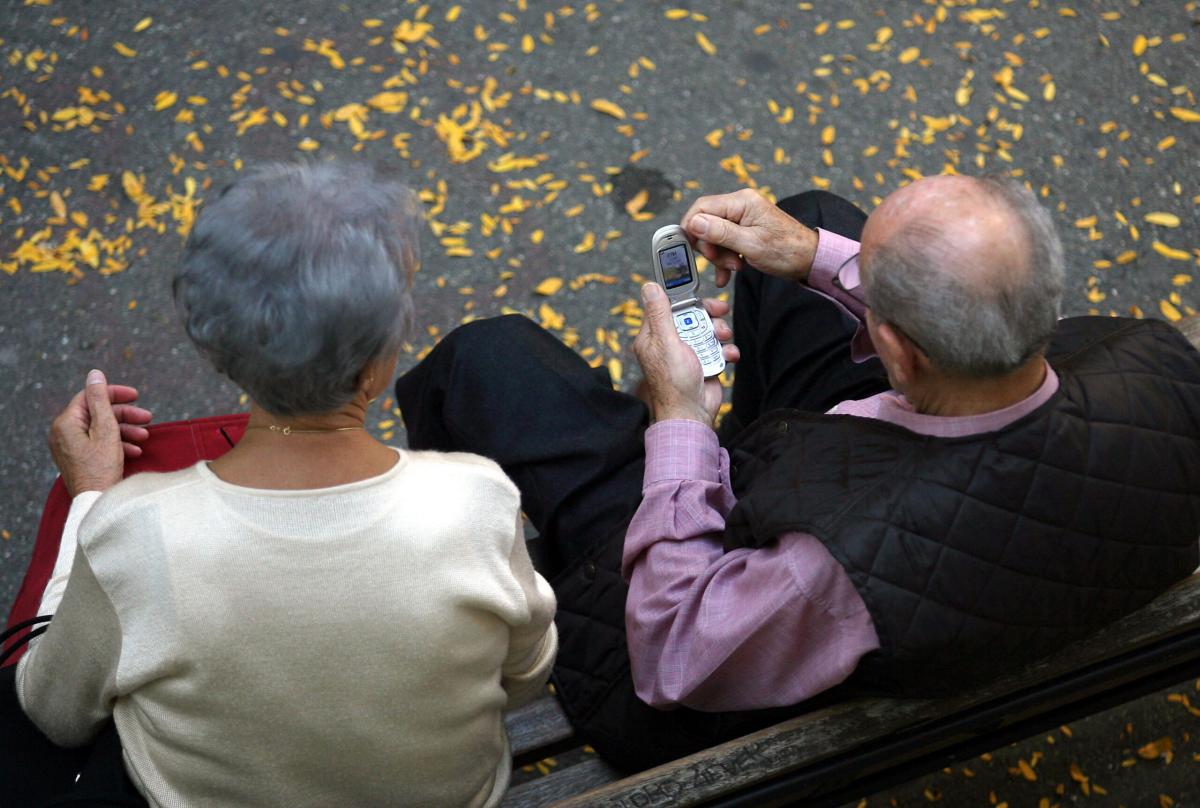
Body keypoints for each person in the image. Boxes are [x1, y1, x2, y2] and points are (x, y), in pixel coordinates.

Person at [394, 176, 1200, 771]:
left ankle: (452, 580)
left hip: (681, 631)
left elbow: (673, 648)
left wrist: (680, 422)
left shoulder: (835, 571)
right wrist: (818, 257)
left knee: (486, 361)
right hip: (948, 496)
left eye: (875, 302)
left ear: (900, 351)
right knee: (813, 215)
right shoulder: (1158, 367)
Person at [4, 161, 557, 807]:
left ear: (219, 349)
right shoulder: (476, 500)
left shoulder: (138, 530)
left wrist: (90, 498)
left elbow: (51, 709)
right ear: (381, 362)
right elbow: (524, 673)